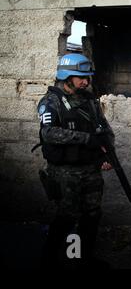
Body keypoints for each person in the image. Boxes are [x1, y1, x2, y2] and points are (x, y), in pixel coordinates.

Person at [37, 53, 114, 269]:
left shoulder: (89, 100)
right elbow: (49, 133)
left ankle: (81, 258)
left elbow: (104, 129)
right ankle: (49, 259)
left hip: (90, 168)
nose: (86, 81)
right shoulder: (50, 102)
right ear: (66, 76)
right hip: (65, 171)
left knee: (92, 215)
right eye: (81, 77)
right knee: (67, 217)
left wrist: (106, 154)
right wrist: (86, 138)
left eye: (87, 77)